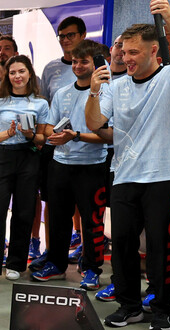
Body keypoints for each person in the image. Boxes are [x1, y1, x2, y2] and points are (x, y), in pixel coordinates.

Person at [84, 0, 170, 330]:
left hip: (165, 178)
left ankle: (162, 308)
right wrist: (93, 92)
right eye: (124, 52)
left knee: (161, 248)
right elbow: (95, 123)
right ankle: (130, 306)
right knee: (120, 245)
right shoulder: (115, 86)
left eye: (134, 52)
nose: (126, 58)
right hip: (125, 177)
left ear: (154, 52)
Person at [31, 40, 110, 289]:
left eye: (83, 61)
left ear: (97, 64)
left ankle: (92, 269)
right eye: (74, 61)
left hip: (92, 165)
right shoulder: (63, 92)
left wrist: (75, 135)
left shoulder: (107, 93)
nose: (77, 65)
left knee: (92, 221)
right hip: (60, 164)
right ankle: (56, 263)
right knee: (57, 218)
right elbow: (49, 127)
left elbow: (108, 134)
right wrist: (51, 135)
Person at [0, 55, 50, 286]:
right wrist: (7, 134)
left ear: (29, 73)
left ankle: (15, 264)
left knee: (24, 212)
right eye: (12, 72)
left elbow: (43, 139)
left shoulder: (40, 103)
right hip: (2, 157)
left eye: (21, 71)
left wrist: (30, 135)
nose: (17, 76)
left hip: (28, 156)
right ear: (6, 76)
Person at [40, 16, 86, 100]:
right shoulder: (50, 68)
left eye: (70, 35)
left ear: (83, 35)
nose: (65, 40)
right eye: (62, 36)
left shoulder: (96, 65)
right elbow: (44, 103)